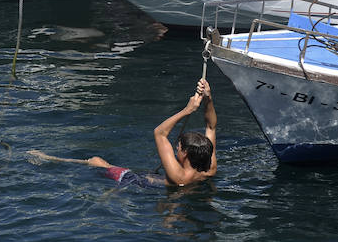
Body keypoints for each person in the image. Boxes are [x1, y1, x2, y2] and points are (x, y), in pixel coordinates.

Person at [29, 79, 217, 189]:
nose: (176, 148)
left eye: (178, 147)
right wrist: (207, 97)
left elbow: (160, 133)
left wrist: (187, 110)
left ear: (184, 154)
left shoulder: (178, 175)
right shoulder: (209, 169)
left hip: (136, 182)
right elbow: (211, 126)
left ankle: (47, 158)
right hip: (158, 184)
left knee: (97, 162)